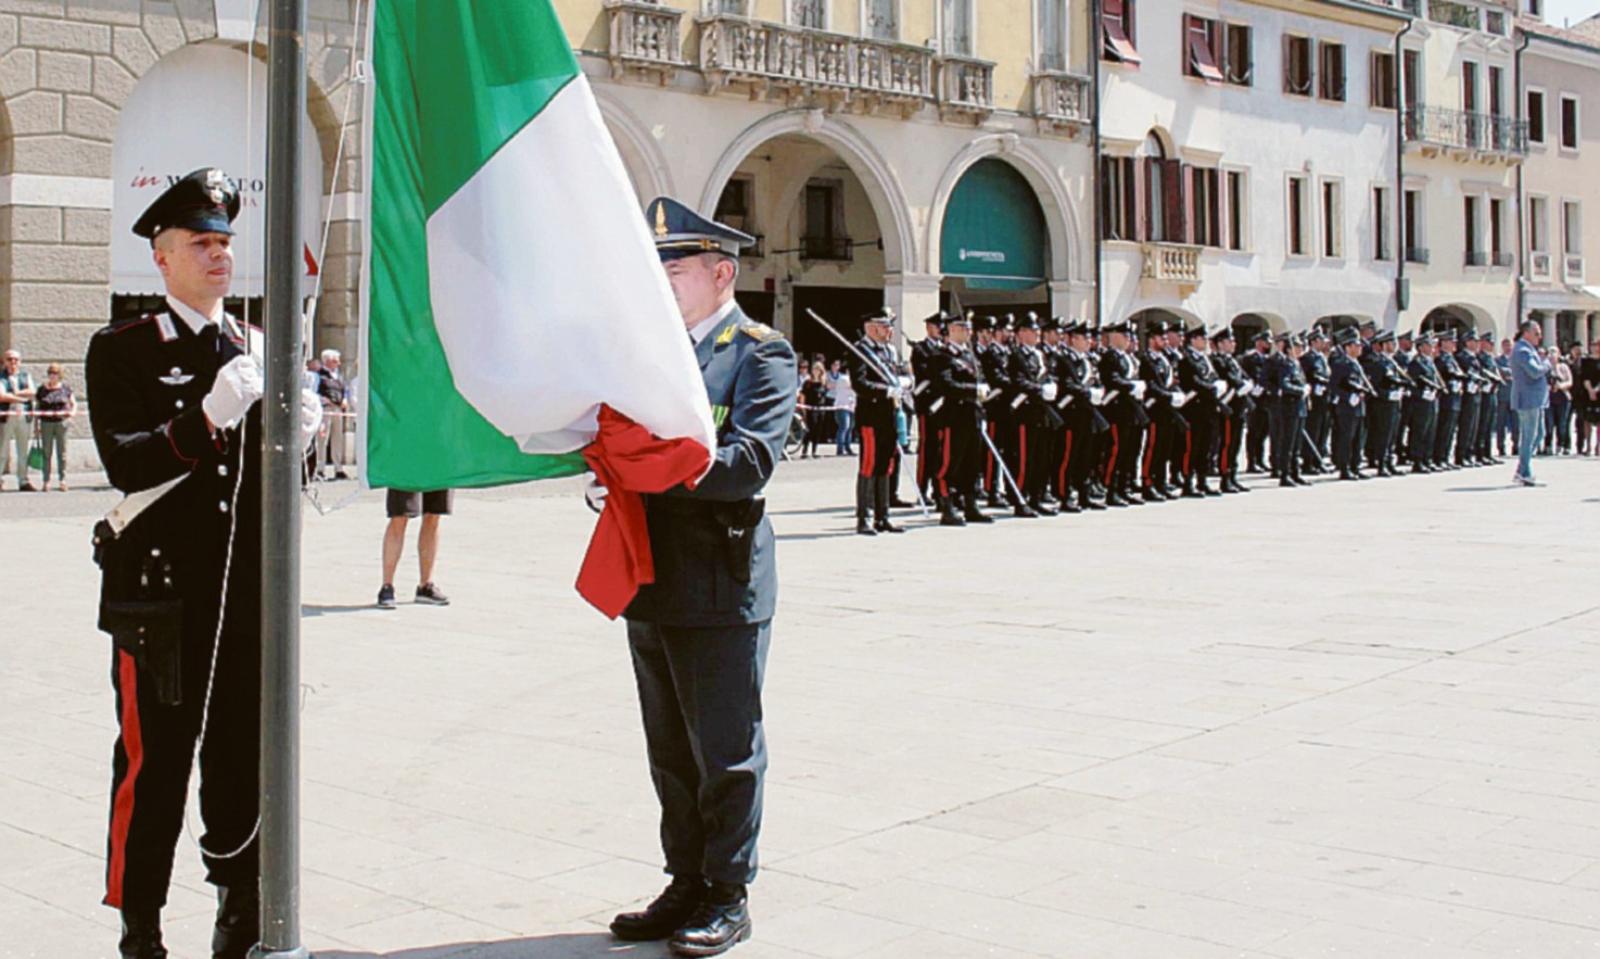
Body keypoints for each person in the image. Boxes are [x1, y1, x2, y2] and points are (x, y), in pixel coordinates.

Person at [84, 168, 317, 959]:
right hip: (160, 599)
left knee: (239, 762)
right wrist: (209, 412)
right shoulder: (122, 349)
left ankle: (237, 905)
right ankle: (140, 924)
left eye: (224, 242)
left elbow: (269, 488)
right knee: (153, 770)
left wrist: (303, 438)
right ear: (163, 255)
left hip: (242, 595)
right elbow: (126, 463)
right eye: (201, 243)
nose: (219, 257)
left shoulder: (253, 347)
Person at [607, 197, 796, 958]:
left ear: (721, 273)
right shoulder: (653, 353)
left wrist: (645, 468)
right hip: (650, 573)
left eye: (676, 268)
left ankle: (727, 891)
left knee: (724, 746)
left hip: (720, 577)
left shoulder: (759, 352)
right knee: (669, 747)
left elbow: (748, 464)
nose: (664, 281)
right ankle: (684, 877)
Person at [852, 310, 906, 535]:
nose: (889, 331)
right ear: (871, 328)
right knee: (869, 464)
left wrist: (905, 381)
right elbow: (860, 384)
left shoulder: (889, 351)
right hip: (871, 415)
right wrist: (886, 391)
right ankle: (865, 516)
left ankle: (883, 515)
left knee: (886, 464)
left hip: (889, 415)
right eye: (885, 326)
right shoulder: (860, 350)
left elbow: (898, 372)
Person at [377, 490, 452, 609]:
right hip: (405, 471)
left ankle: (425, 586)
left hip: (437, 471)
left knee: (433, 515)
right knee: (400, 515)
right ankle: (387, 586)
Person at [1509, 319, 1552, 485]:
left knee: (1538, 433)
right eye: (1536, 333)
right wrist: (1548, 364)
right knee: (1529, 436)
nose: (1539, 337)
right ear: (1526, 333)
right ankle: (1524, 472)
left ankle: (1521, 469)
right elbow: (1534, 372)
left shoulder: (1528, 349)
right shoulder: (1522, 350)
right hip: (1527, 398)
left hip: (1535, 398)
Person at [1330, 328, 1373, 480]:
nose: (1360, 347)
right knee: (1346, 438)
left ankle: (1355, 466)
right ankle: (1345, 467)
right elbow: (1334, 386)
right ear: (1348, 346)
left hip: (1359, 406)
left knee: (1358, 438)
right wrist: (1347, 396)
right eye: (1357, 345)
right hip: (1346, 406)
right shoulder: (1340, 363)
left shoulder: (1356, 363)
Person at [32, 362, 76, 490]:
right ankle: (46, 481)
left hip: (61, 423)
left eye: (55, 373)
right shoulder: (42, 389)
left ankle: (63, 480)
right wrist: (36, 427)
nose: (52, 376)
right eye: (50, 373)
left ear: (60, 375)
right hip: (46, 423)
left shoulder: (65, 388)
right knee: (47, 452)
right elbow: (37, 407)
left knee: (62, 453)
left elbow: (73, 403)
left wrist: (72, 414)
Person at [0, 348, 37, 490]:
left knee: (22, 450)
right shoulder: (1, 377)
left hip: (23, 416)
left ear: (20, 362)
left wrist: (16, 394)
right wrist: (21, 398)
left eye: (16, 359)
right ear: (4, 361)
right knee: (2, 450)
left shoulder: (25, 376)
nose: (13, 362)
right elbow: (2, 396)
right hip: (7, 416)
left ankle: (23, 480)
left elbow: (33, 392)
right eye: (9, 359)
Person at [316, 348, 351, 480]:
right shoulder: (320, 375)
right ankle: (320, 467)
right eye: (335, 361)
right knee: (322, 439)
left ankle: (338, 467)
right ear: (328, 361)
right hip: (326, 409)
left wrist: (345, 399)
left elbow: (345, 389)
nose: (338, 363)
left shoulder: (339, 375)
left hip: (337, 409)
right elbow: (315, 391)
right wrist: (325, 400)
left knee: (338, 438)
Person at [799, 362, 830, 458]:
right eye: (815, 369)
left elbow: (824, 395)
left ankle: (814, 450)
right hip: (810, 408)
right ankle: (804, 450)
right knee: (810, 429)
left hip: (820, 408)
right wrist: (803, 408)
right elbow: (803, 396)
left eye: (818, 369)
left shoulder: (823, 383)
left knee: (818, 430)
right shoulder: (808, 383)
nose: (816, 371)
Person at [1548, 346, 1573, 455]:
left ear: (1559, 354)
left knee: (1562, 423)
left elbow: (1570, 381)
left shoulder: (1563, 367)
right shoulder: (1545, 367)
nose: (1552, 355)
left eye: (1554, 352)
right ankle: (1547, 445)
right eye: (1550, 352)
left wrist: (1560, 386)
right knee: (1549, 423)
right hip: (1549, 398)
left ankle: (1561, 445)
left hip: (1563, 398)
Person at [827, 359, 854, 455]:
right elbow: (852, 386)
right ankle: (840, 448)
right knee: (844, 426)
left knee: (850, 427)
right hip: (842, 406)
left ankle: (848, 447)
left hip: (851, 406)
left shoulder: (849, 379)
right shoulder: (843, 379)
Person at [1578, 340, 1600, 456]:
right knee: (1587, 420)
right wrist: (1590, 390)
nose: (1595, 348)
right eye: (1593, 346)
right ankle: (1588, 446)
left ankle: (1598, 446)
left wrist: (1596, 390)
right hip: (1587, 392)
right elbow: (1584, 376)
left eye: (1597, 346)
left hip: (1599, 392)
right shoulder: (1585, 361)